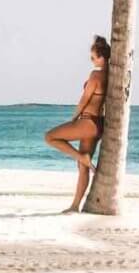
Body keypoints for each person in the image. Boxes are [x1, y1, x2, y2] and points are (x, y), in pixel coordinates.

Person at [44, 35, 110, 213]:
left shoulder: (95, 75)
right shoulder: (110, 75)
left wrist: (74, 118)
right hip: (98, 125)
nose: (91, 60)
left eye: (93, 57)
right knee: (82, 169)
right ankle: (75, 206)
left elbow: (84, 100)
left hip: (88, 121)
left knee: (50, 136)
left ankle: (82, 158)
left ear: (102, 56)